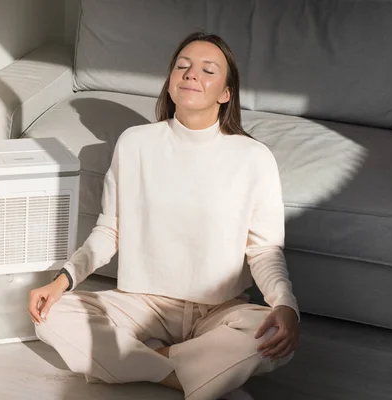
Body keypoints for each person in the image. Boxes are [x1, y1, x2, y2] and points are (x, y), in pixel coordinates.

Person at [28, 31, 300, 400]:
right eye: (182, 67)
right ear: (170, 83)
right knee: (51, 317)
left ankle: (145, 363)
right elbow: (110, 229)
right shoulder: (136, 143)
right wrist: (63, 280)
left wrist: (285, 304)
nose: (191, 74)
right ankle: (190, 374)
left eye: (208, 70)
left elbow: (265, 251)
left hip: (217, 309)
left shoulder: (254, 158)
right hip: (141, 302)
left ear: (225, 93)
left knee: (270, 334)